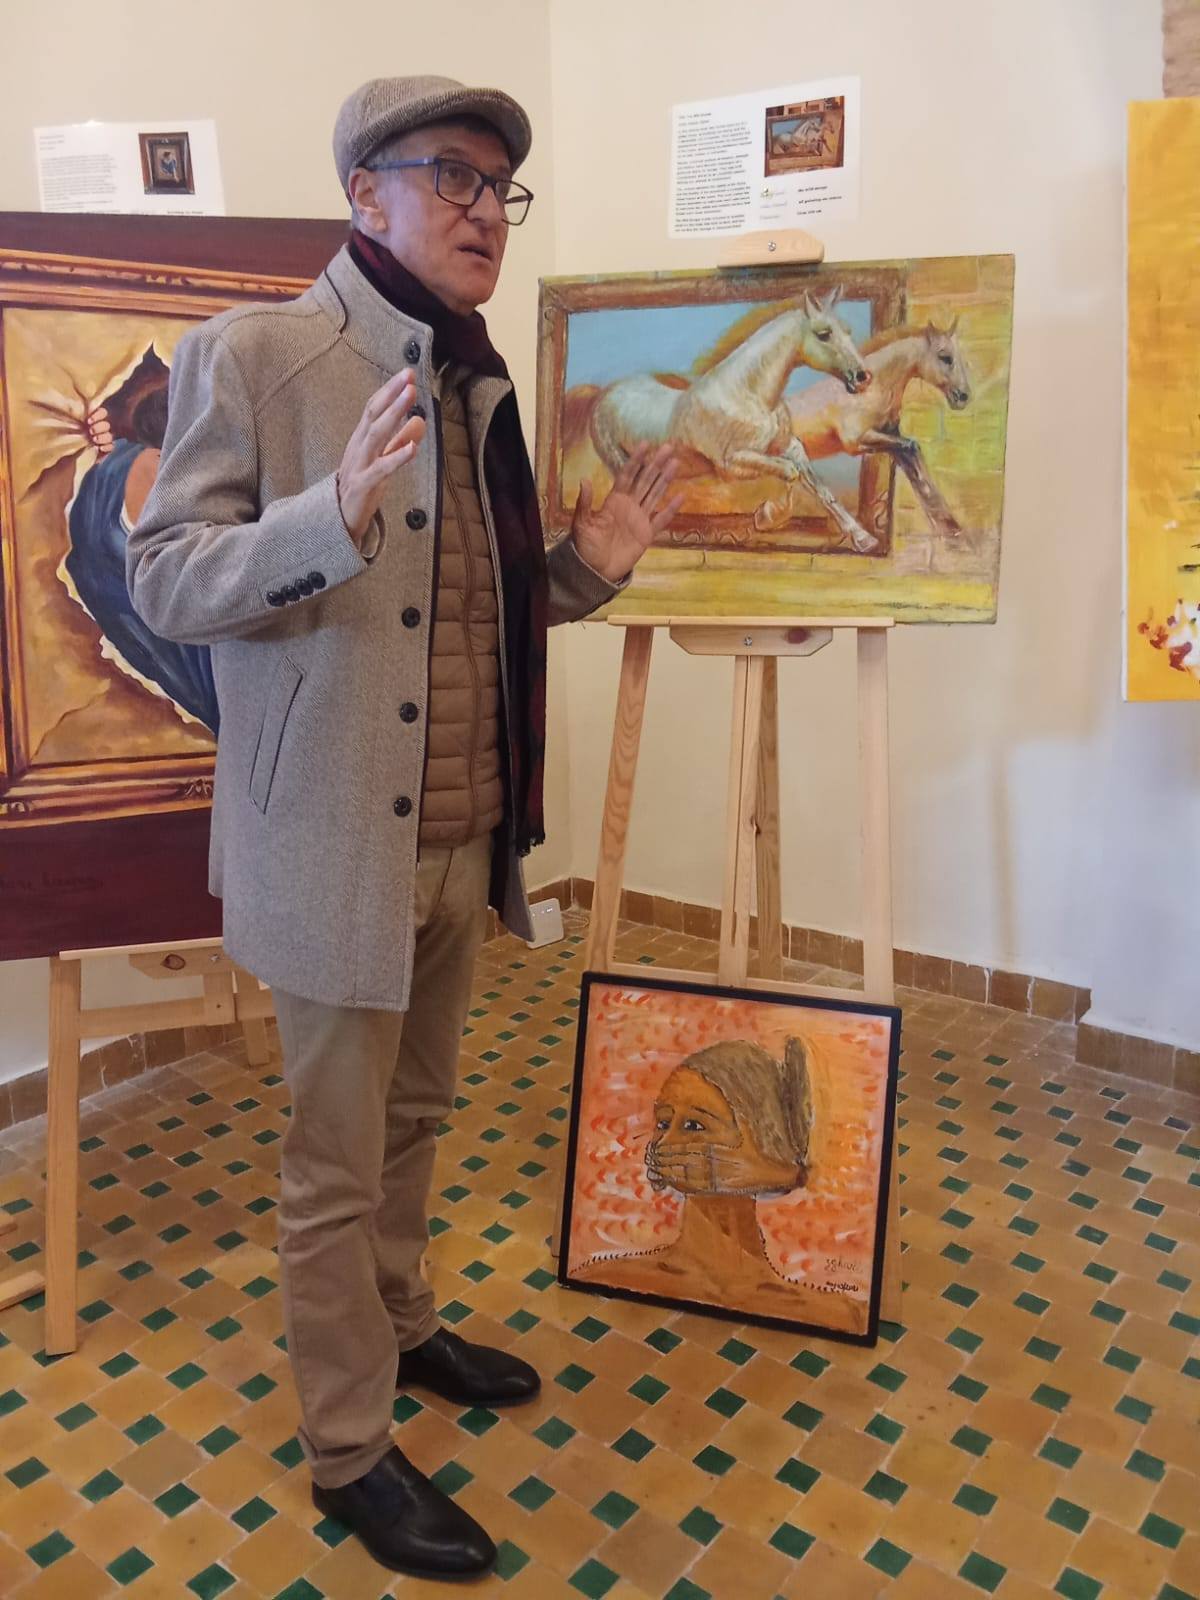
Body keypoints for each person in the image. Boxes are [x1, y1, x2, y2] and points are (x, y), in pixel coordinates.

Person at [127, 75, 681, 1582]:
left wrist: (585, 565)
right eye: (454, 176)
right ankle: (350, 1448)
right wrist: (327, 519)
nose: (487, 210)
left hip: (462, 838)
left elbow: (469, 618)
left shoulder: (475, 380)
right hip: (329, 849)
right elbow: (165, 580)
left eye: (502, 187)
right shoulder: (257, 355)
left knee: (419, 1121)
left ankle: (406, 1320)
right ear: (363, 192)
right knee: (333, 1162)